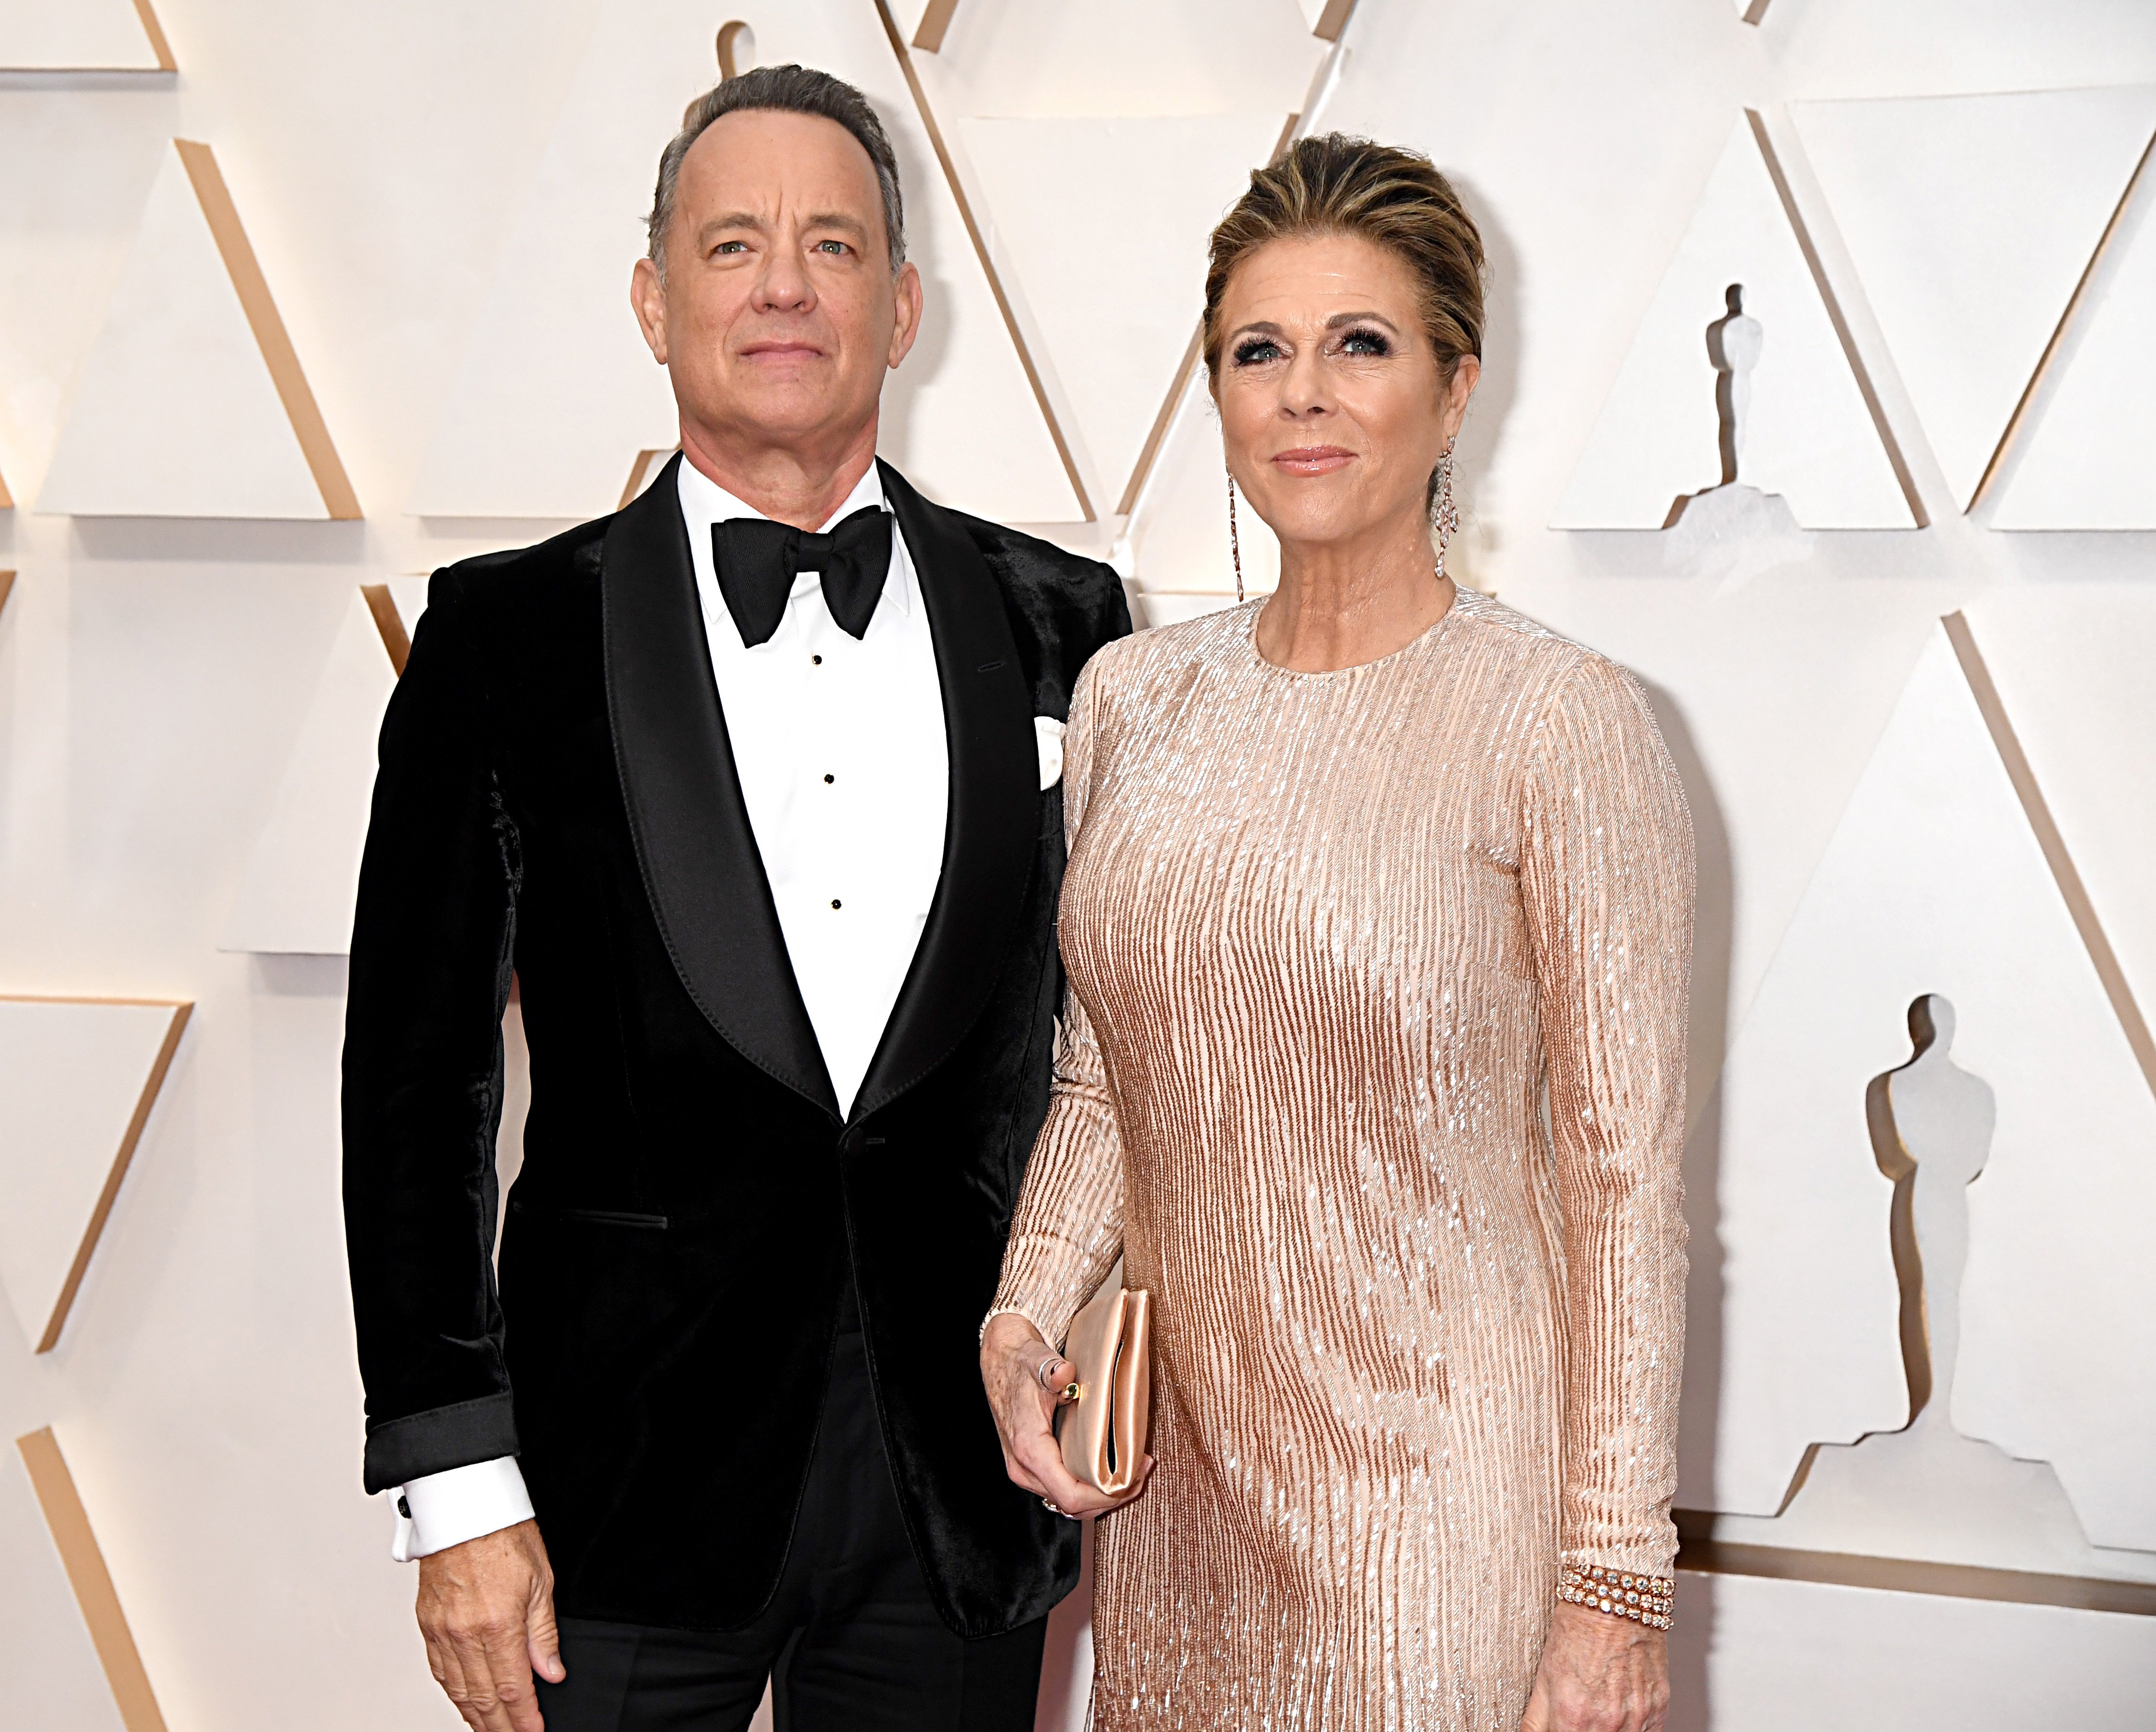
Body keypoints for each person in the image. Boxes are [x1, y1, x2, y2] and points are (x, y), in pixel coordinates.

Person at [343, 64, 1129, 1732]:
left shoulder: (1066, 617)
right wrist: (456, 1493)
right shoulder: (502, 639)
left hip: (963, 1480)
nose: (784, 283)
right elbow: (412, 1090)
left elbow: (1117, 1049)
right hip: (612, 1495)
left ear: (902, 306)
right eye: (732, 245)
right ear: (652, 300)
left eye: (833, 245)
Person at [981, 134, 1694, 1732]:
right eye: (1258, 351)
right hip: (1178, 1505)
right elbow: (1104, 1077)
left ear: (1454, 392)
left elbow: (1621, 1176)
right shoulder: (1133, 701)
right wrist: (1024, 1312)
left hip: (1440, 1516)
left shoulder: (1560, 725)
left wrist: (1610, 1588)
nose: (1301, 393)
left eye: (1357, 344)